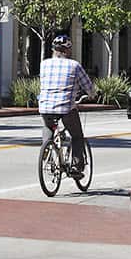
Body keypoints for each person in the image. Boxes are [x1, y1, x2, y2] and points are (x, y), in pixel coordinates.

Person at [38, 32, 94, 173]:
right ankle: (76, 166)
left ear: (53, 49)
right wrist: (92, 94)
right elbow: (87, 86)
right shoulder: (74, 65)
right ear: (67, 50)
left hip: (45, 106)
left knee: (48, 127)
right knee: (76, 136)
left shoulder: (44, 64)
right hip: (66, 107)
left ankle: (47, 149)